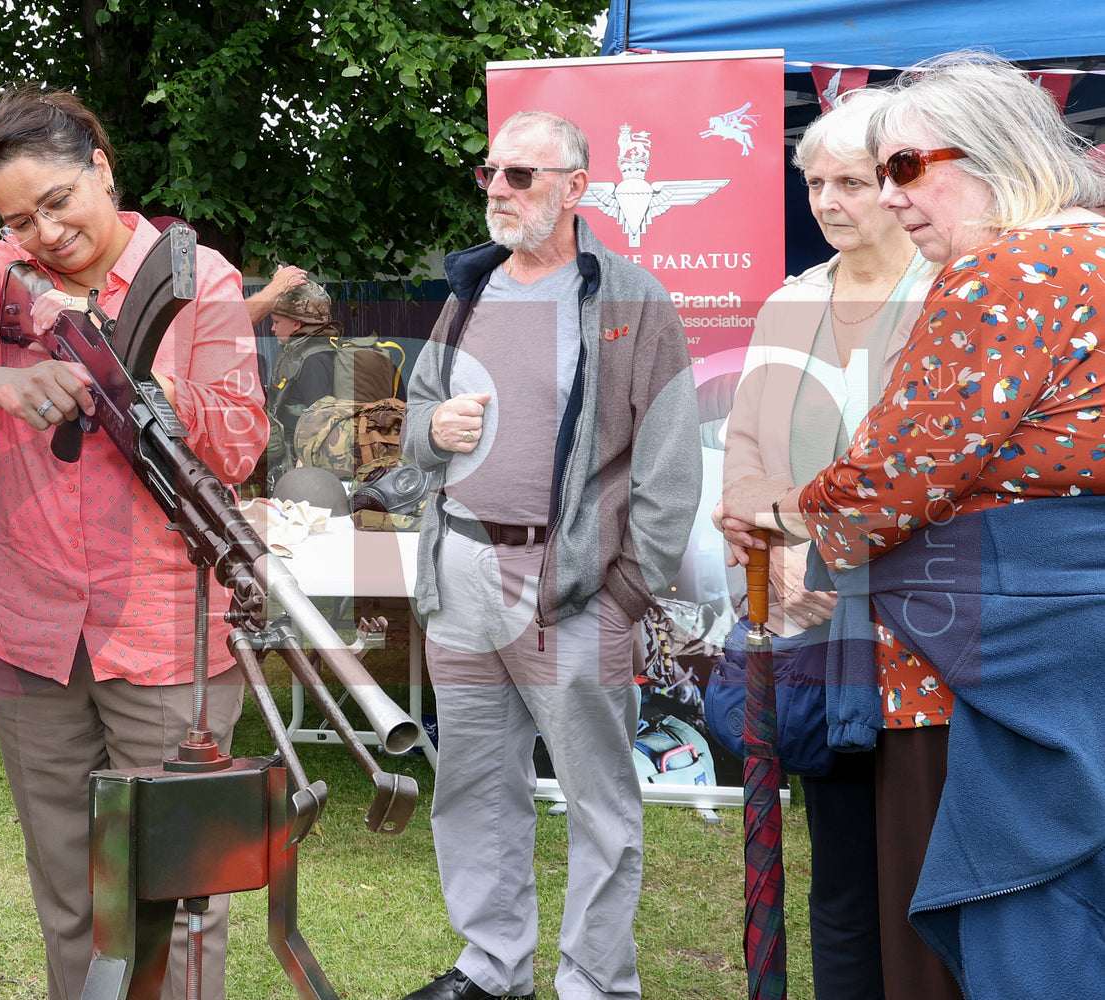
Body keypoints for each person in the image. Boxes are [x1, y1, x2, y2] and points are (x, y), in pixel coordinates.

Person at [720, 52, 1105, 1000]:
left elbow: (899, 471)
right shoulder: (1092, 253)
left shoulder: (1006, 268)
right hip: (1059, 656)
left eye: (902, 170)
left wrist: (781, 521)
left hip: (974, 670)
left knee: (992, 922)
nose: (889, 200)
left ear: (995, 155)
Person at [0, 87, 265, 1000]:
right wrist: (3, 385)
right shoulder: (0, 271)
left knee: (176, 892)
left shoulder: (196, 273)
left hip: (168, 633)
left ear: (101, 166)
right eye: (21, 218)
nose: (45, 232)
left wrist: (155, 399)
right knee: (70, 890)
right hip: (33, 632)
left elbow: (244, 437)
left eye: (58, 202)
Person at [398, 110, 700, 1000]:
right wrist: (430, 429)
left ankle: (597, 984)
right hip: (461, 576)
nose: (498, 190)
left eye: (521, 176)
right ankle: (493, 972)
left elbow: (671, 460)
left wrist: (628, 591)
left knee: (598, 805)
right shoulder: (468, 292)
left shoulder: (631, 299)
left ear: (576, 187)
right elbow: (414, 423)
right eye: (490, 172)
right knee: (474, 787)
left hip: (571, 591)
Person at [714, 88, 933, 1000]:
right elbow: (746, 469)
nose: (829, 202)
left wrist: (827, 546)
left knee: (929, 883)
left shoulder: (953, 295)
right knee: (842, 879)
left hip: (931, 640)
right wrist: (775, 555)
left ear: (899, 179)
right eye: (814, 183)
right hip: (817, 640)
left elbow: (948, 475)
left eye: (851, 180)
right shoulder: (788, 306)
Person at [262, 279, 403, 488]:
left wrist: (304, 469)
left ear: (296, 324)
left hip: (309, 463)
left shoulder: (312, 359)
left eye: (276, 321)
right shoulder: (306, 351)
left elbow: (320, 419)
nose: (272, 328)